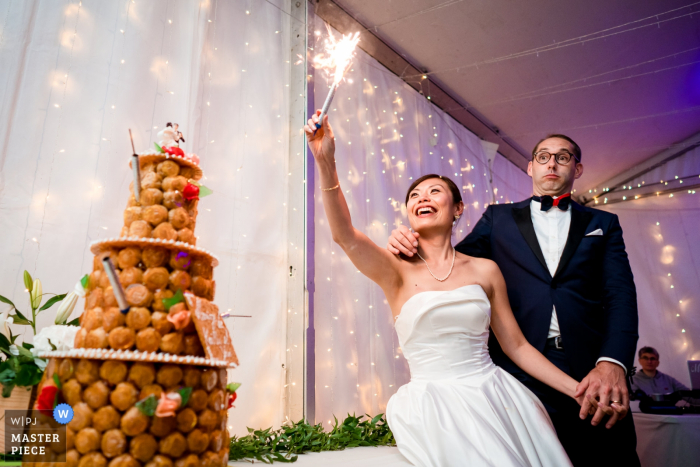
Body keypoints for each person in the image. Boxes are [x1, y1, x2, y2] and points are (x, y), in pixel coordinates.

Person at [305, 111, 577, 466]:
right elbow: (344, 235)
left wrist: (577, 390)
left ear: (458, 208)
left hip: (496, 398)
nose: (423, 197)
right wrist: (326, 162)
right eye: (414, 195)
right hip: (434, 407)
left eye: (435, 191)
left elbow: (517, 346)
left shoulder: (485, 270)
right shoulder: (394, 270)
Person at [388, 134, 640, 466]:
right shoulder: (498, 218)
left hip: (591, 367)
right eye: (543, 156)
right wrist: (405, 239)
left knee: (611, 456)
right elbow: (449, 262)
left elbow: (621, 296)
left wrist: (612, 363)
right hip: (520, 373)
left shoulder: (603, 224)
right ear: (530, 166)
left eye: (563, 157)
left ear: (577, 168)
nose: (552, 163)